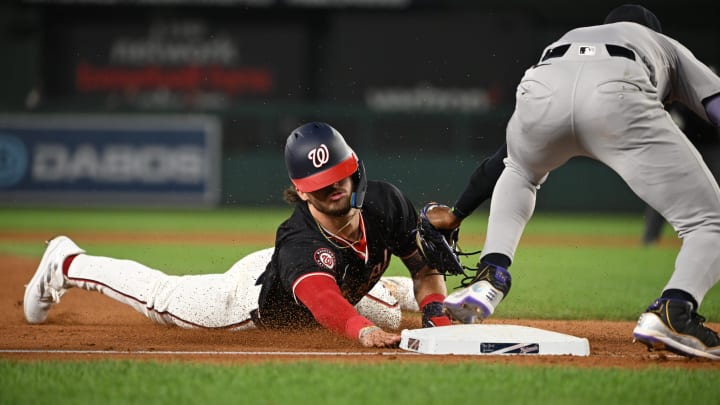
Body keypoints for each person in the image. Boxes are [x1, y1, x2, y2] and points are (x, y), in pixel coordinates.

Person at [432, 4, 720, 359]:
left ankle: (490, 275)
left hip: (543, 87)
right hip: (620, 91)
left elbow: (501, 160)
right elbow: (714, 104)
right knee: (711, 222)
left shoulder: (569, 39)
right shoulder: (663, 45)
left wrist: (458, 212)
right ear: (652, 31)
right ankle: (675, 311)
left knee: (520, 170)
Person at [22, 122, 449, 348]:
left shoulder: (387, 203)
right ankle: (66, 262)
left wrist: (438, 313)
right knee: (162, 299)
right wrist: (362, 332)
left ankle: (388, 291)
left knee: (393, 315)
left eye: (339, 176)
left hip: (336, 277)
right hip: (253, 300)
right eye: (320, 184)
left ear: (354, 168)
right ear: (300, 190)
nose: (334, 187)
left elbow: (425, 266)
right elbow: (325, 304)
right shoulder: (299, 239)